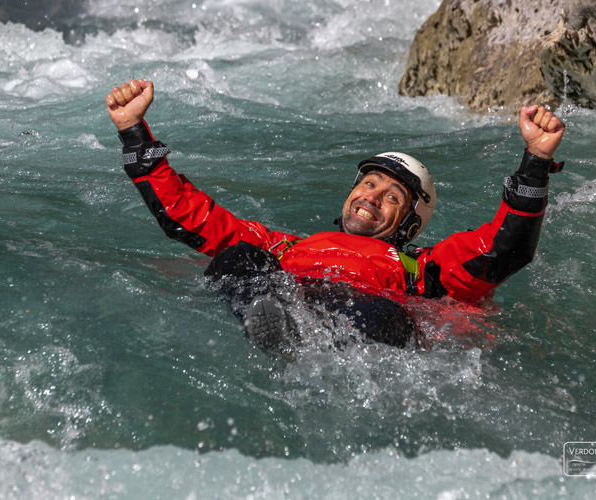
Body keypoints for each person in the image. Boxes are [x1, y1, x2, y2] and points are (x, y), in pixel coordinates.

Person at [106, 79, 565, 352]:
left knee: (374, 311)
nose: (372, 197)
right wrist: (133, 132)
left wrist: (535, 162)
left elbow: (502, 249)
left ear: (409, 226)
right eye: (368, 184)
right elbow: (187, 216)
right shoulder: (282, 245)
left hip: (366, 315)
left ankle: (293, 335)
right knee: (236, 257)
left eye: (391, 197)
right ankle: (272, 326)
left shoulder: (423, 270)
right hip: (283, 299)